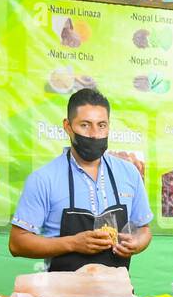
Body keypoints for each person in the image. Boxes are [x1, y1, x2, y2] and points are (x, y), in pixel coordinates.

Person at [10, 89, 153, 270]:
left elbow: (144, 229)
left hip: (118, 295)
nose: (94, 134)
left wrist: (137, 243)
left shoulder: (129, 173)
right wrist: (73, 243)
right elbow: (17, 243)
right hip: (62, 296)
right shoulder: (43, 179)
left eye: (102, 125)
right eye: (85, 125)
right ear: (68, 127)